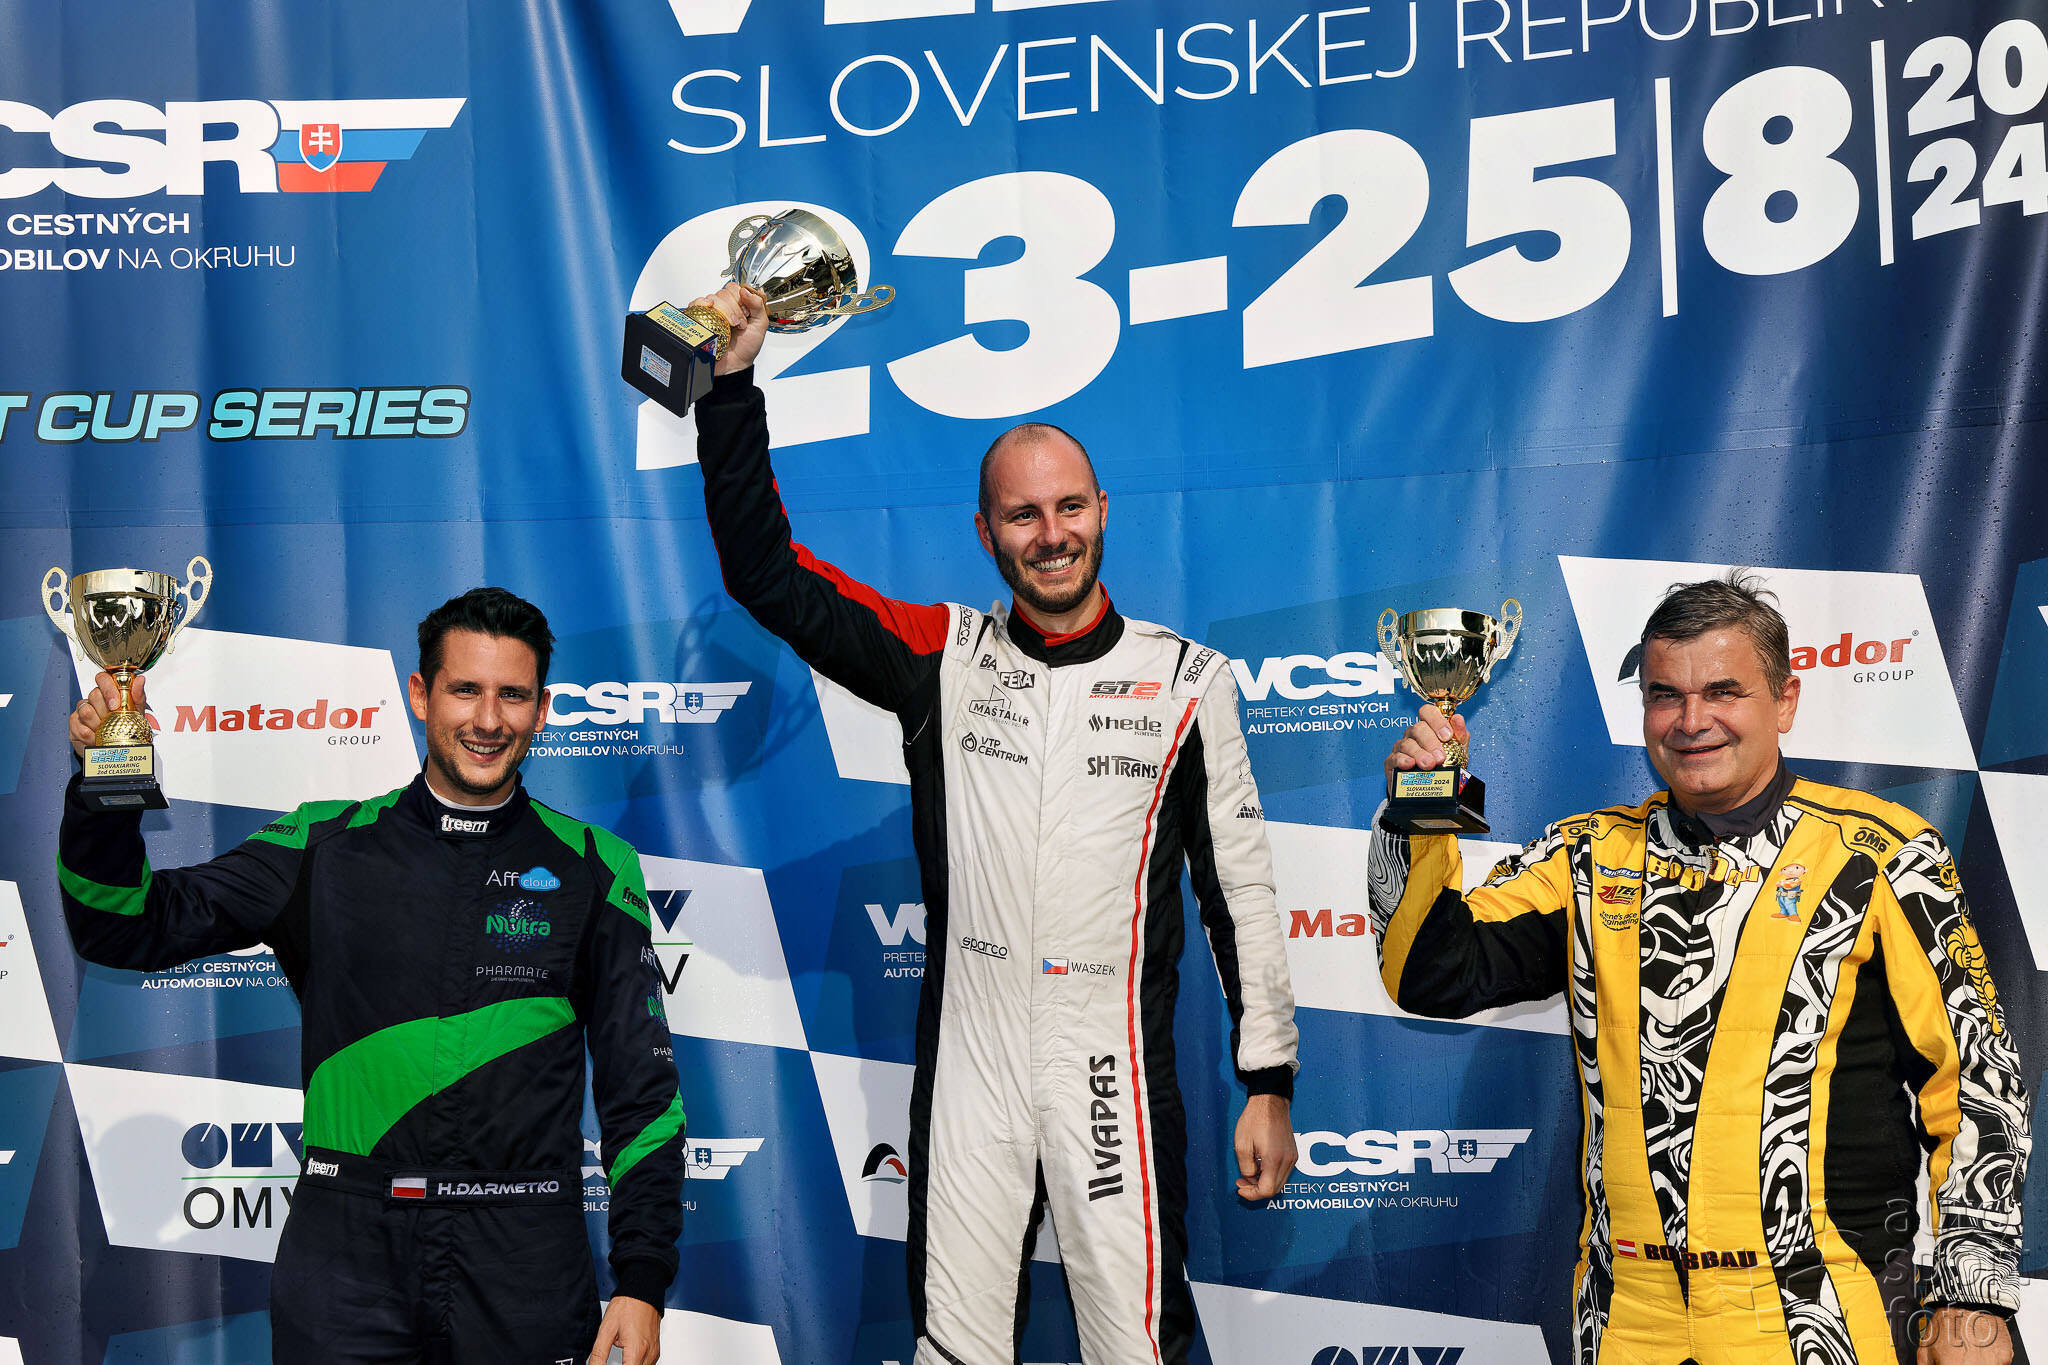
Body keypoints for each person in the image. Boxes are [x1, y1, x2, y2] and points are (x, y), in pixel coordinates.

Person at [685, 282, 1298, 1365]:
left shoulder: (1188, 681)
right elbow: (766, 575)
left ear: (1102, 509)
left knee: (1135, 1349)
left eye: (1069, 508)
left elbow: (1239, 893)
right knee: (955, 1349)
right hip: (970, 1062)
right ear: (985, 532)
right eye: (1023, 515)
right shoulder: (941, 657)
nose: (1051, 535)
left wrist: (1269, 1083)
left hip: (1109, 1066)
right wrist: (730, 386)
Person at [1370, 573, 2030, 1365]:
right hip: (1626, 1318)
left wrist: (1971, 1292)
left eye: (1723, 691)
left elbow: (1978, 1079)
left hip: (1818, 1310)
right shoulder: (1585, 856)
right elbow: (1429, 972)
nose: (1691, 721)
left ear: (1784, 700)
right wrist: (1421, 803)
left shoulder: (1883, 855)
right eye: (1665, 695)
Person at [57, 588, 682, 1365]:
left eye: (513, 695)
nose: (489, 719)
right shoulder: (322, 845)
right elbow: (123, 926)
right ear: (421, 694)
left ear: (542, 709)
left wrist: (642, 1278)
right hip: (347, 1256)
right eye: (465, 689)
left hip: (523, 1255)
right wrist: (104, 783)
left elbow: (641, 1094)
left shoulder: (595, 866)